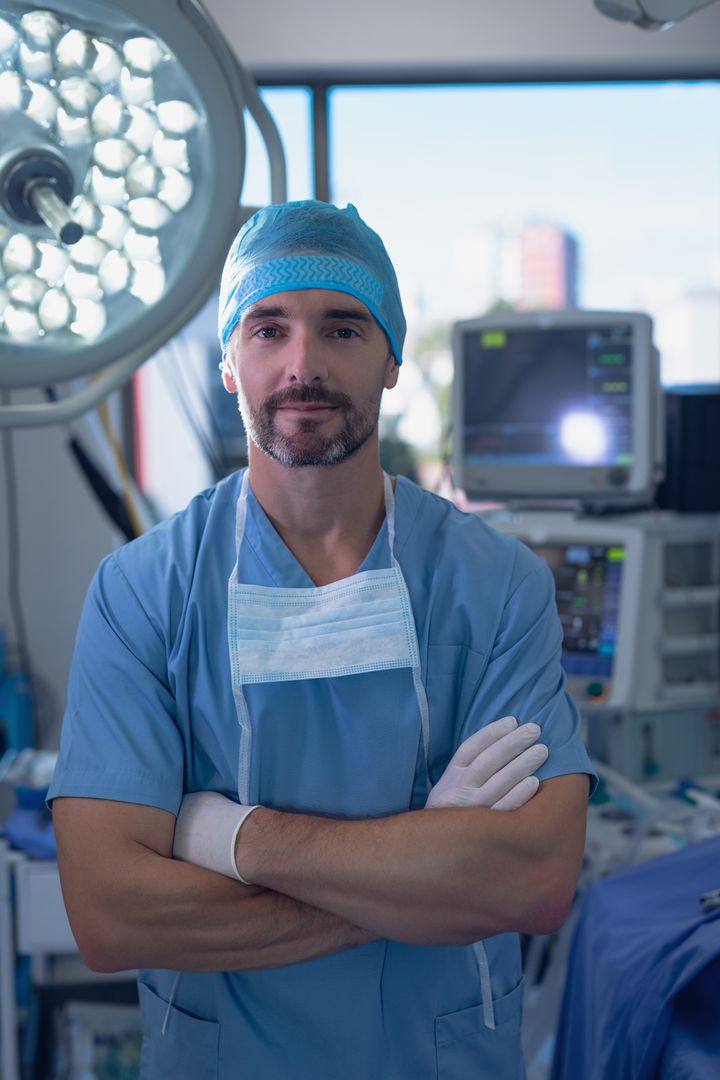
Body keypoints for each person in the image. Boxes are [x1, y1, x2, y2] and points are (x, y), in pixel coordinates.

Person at [49, 200, 596, 1080]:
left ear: (389, 360)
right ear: (230, 363)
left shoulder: (496, 587)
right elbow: (111, 915)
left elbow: (532, 883)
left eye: (342, 328)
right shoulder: (144, 593)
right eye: (267, 329)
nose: (303, 364)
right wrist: (425, 866)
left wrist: (229, 837)